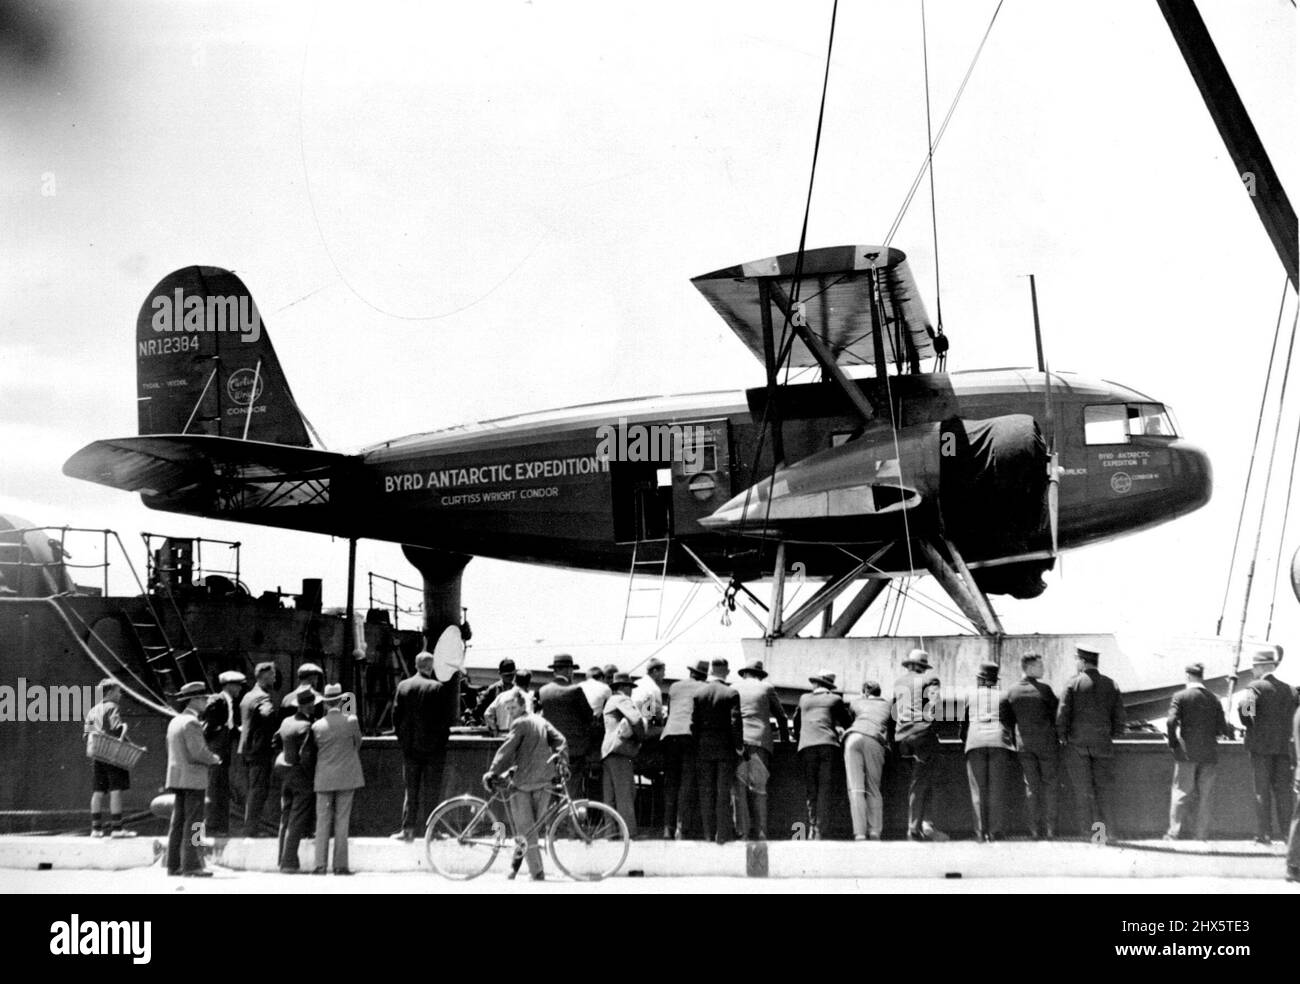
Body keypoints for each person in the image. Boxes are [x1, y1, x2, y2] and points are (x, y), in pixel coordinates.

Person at [483, 709, 568, 881]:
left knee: (527, 830)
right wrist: (562, 760)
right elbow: (561, 740)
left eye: (512, 708)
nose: (510, 712)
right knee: (531, 829)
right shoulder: (542, 722)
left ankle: (537, 873)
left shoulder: (520, 723)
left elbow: (506, 749)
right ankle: (515, 867)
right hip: (544, 780)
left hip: (523, 783)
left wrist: (492, 771)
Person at [1057, 645, 1126, 842]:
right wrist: (1109, 734)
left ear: (1082, 661)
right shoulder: (1111, 684)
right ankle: (1106, 834)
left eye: (1077, 660)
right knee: (1103, 791)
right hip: (1103, 745)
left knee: (1083, 792)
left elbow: (1062, 714)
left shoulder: (1073, 684)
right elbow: (1120, 717)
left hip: (1077, 746)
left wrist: (1063, 736)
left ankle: (1088, 834)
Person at [1235, 647, 1299, 844]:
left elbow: (1245, 710)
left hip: (1260, 748)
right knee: (1284, 793)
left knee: (1261, 791)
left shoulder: (1254, 686)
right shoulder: (1290, 689)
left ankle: (1264, 835)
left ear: (1262, 666)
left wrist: (1250, 726)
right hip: (1284, 749)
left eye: (1254, 667)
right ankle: (1289, 837)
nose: (1253, 671)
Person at [1164, 662, 1233, 841]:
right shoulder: (1214, 698)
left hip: (1186, 753)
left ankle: (1174, 833)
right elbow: (1222, 728)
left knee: (1181, 793)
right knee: (1206, 797)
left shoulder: (1180, 696)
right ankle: (1201, 835)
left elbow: (1171, 722)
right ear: (1202, 676)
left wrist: (1173, 743)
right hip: (1209, 753)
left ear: (1187, 676)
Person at [165, 681, 221, 877]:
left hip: (177, 778)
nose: (206, 702)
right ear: (194, 700)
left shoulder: (175, 721)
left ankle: (173, 864)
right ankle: (194, 864)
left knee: (178, 821)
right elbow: (198, 752)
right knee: (196, 823)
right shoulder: (192, 722)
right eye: (203, 698)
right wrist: (214, 758)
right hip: (194, 778)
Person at [391, 651, 447, 841]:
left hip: (410, 749)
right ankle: (432, 831)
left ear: (416, 665)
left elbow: (396, 718)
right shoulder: (437, 687)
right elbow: (443, 722)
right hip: (433, 751)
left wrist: (404, 741)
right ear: (431, 667)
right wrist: (439, 745)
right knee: (431, 791)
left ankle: (407, 830)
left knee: (411, 791)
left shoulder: (403, 686)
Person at [1004, 653, 1060, 840]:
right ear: (1028, 667)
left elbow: (1007, 720)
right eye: (1040, 666)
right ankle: (1051, 829)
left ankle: (1034, 829)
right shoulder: (1044, 690)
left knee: (1031, 786)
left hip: (1024, 745)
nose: (1043, 669)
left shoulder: (1012, 692)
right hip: (1046, 744)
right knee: (1050, 784)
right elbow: (1056, 715)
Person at [732, 658, 789, 841]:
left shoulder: (734, 687)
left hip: (738, 743)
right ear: (760, 674)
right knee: (759, 789)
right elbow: (781, 716)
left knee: (739, 789)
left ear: (745, 673)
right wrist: (785, 740)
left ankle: (743, 833)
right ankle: (762, 832)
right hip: (760, 742)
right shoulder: (767, 688)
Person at [311, 683, 364, 875]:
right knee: (342, 821)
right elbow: (358, 743)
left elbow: (315, 748)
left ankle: (319, 865)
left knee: (322, 822)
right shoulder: (351, 720)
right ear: (341, 701)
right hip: (347, 776)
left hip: (324, 778)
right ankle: (340, 866)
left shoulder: (317, 726)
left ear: (325, 704)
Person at [960, 662, 1015, 843]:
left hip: (975, 742)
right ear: (995, 680)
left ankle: (980, 832)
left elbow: (963, 726)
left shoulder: (970, 696)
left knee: (978, 790)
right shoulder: (1004, 696)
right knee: (997, 789)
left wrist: (966, 739)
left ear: (980, 679)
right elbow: (1009, 722)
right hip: (999, 743)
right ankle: (996, 832)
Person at [794, 670, 851, 840]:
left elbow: (797, 722)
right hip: (828, 745)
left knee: (812, 788)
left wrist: (800, 736)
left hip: (807, 746)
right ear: (829, 686)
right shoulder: (835, 699)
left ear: (816, 684)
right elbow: (847, 722)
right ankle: (820, 830)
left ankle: (811, 827)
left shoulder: (804, 699)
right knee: (825, 789)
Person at [892, 648, 942, 841]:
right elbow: (936, 708)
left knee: (914, 783)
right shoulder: (930, 681)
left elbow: (894, 711)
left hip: (902, 739)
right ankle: (919, 827)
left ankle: (919, 826)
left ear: (909, 665)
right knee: (924, 781)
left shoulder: (898, 682)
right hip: (922, 735)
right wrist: (931, 729)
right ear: (923, 667)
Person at [693, 657, 742, 844]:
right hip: (725, 750)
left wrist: (698, 744)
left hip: (704, 748)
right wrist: (739, 747)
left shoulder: (699, 693)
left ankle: (707, 834)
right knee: (723, 793)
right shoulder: (731, 693)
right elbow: (735, 722)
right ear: (726, 672)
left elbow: (693, 724)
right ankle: (722, 835)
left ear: (711, 671)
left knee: (707, 793)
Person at [661, 659, 708, 839]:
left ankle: (667, 828)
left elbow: (668, 712)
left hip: (670, 735)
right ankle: (682, 828)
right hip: (689, 737)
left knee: (671, 784)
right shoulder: (704, 688)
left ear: (690, 672)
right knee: (686, 785)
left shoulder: (673, 687)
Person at [538, 654, 596, 799]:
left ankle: (553, 821)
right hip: (574, 750)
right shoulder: (575, 690)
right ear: (569, 671)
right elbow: (589, 717)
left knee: (552, 791)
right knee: (572, 792)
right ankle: (570, 821)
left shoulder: (543, 691)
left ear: (554, 670)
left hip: (551, 750)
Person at [84, 678, 136, 838]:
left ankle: (96, 829)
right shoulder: (112, 707)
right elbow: (116, 727)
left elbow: (87, 734)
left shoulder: (92, 710)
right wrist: (127, 739)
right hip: (112, 754)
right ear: (110, 692)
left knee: (98, 791)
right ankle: (117, 829)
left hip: (97, 753)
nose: (120, 694)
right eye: (118, 691)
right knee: (115, 790)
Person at [274, 688, 318, 872]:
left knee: (286, 817)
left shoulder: (286, 721)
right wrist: (310, 775)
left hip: (284, 772)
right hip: (301, 775)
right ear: (310, 706)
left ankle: (281, 858)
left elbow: (275, 741)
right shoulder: (308, 727)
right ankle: (289, 861)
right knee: (297, 819)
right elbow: (306, 755)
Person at [844, 680, 892, 841]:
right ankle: (874, 831)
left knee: (856, 789)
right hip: (874, 739)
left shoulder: (855, 702)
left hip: (853, 736)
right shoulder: (888, 705)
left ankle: (859, 833)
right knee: (873, 788)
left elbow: (848, 719)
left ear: (864, 692)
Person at [238, 661, 280, 836]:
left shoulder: (248, 696)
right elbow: (266, 714)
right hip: (259, 751)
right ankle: (250, 831)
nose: (275, 678)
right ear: (265, 676)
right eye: (273, 675)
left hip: (247, 749)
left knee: (253, 790)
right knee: (258, 791)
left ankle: (250, 828)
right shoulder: (262, 697)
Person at [601, 671, 644, 836]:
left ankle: (610, 833)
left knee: (610, 797)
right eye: (630, 687)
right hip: (619, 751)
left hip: (607, 750)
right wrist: (641, 737)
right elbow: (637, 719)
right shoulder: (622, 699)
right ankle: (629, 833)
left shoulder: (610, 700)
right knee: (625, 794)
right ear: (625, 687)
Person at [202, 670, 245, 837]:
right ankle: (205, 834)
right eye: (238, 686)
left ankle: (215, 830)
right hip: (216, 754)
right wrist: (218, 731)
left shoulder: (228, 703)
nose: (240, 689)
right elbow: (210, 724)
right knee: (209, 794)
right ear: (230, 685)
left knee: (217, 791)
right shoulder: (218, 701)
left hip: (221, 754)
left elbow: (228, 725)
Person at [484, 669, 534, 735]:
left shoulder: (501, 696)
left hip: (500, 735)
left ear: (515, 680)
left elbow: (487, 714)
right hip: (517, 737)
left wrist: (494, 729)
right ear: (528, 683)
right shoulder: (527, 698)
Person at [473, 658, 518, 725]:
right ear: (500, 674)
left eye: (511, 675)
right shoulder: (493, 690)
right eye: (506, 675)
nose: (510, 678)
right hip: (498, 730)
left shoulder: (519, 690)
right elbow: (478, 711)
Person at [1286, 703, 1299, 883]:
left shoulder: (1252, 690)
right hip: (1284, 755)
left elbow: (1246, 715)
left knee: (1261, 795)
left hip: (1258, 749)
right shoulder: (1286, 691)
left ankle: (1262, 835)